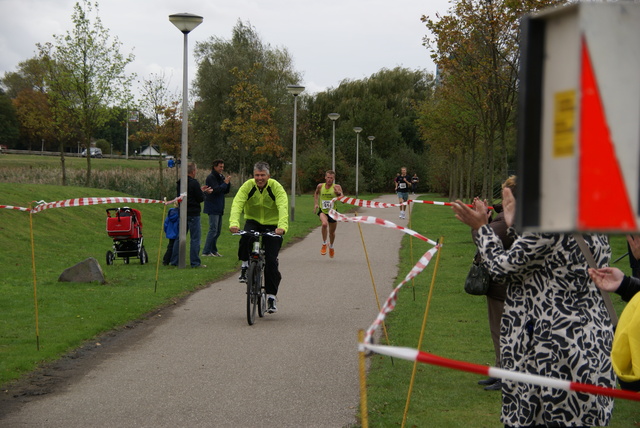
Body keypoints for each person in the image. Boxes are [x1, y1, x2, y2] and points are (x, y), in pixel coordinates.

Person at [452, 187, 615, 428]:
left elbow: (501, 268)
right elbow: (550, 256)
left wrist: (481, 229)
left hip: (552, 348)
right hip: (590, 339)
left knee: (547, 417)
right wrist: (516, 225)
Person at [471, 176, 516, 391]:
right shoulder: (505, 216)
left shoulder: (509, 220)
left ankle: (507, 376)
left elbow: (484, 240)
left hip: (503, 287)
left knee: (502, 331)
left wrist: (479, 223)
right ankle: (500, 370)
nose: (502, 198)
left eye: (505, 194)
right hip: (500, 286)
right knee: (497, 330)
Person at [229, 161, 288, 314]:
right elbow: (237, 204)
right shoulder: (248, 186)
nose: (259, 178)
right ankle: (244, 265)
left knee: (271, 261)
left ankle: (271, 297)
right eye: (257, 175)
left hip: (273, 225)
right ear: (253, 175)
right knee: (245, 239)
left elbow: (283, 206)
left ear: (268, 176)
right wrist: (234, 223)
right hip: (253, 222)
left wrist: (282, 227)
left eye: (262, 175)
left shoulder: (275, 187)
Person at [170, 162, 212, 268]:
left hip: (182, 213)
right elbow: (199, 198)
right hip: (193, 213)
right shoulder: (194, 183)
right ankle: (195, 262)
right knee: (195, 238)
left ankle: (174, 260)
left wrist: (200, 191)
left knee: (179, 237)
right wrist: (205, 193)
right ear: (193, 171)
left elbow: (186, 195)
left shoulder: (180, 183)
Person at [202, 159, 231, 257]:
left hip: (219, 206)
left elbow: (225, 191)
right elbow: (217, 190)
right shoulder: (211, 177)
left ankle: (213, 250)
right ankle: (206, 251)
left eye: (223, 167)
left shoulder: (220, 176)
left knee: (218, 231)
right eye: (220, 167)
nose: (222, 169)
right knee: (213, 229)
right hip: (212, 206)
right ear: (215, 167)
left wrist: (227, 183)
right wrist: (224, 183)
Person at [313, 170, 343, 258]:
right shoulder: (320, 186)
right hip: (323, 211)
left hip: (333, 212)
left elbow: (343, 200)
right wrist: (316, 203)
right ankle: (324, 243)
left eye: (331, 178)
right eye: (328, 177)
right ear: (325, 177)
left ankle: (331, 246)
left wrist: (338, 194)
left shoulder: (337, 187)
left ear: (334, 179)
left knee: (332, 233)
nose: (330, 179)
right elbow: (316, 193)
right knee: (324, 224)